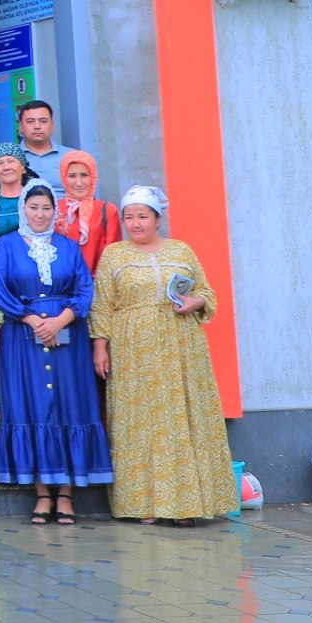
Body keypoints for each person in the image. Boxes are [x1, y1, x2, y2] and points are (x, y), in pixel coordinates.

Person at [91, 185, 237, 523]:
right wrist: (100, 345)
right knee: (141, 421)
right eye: (129, 217)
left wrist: (194, 302)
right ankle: (144, 504)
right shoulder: (114, 254)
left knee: (182, 418)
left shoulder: (181, 250)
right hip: (133, 350)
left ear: (158, 219)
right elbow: (101, 304)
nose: (135, 223)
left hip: (180, 347)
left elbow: (205, 291)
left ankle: (186, 504)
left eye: (143, 216)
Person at [0, 181, 112, 524]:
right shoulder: (5, 246)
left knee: (68, 404)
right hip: (21, 335)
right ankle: (42, 493)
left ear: (54, 212)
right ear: (22, 210)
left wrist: (59, 321)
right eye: (33, 208)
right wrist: (33, 320)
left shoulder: (69, 247)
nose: (40, 214)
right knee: (32, 405)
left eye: (46, 208)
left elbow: (84, 289)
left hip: (68, 335)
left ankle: (67, 495)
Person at [55, 150, 121, 273]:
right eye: (72, 176)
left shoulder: (107, 210)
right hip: (63, 281)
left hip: (96, 282)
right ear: (63, 178)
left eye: (84, 175)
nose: (79, 183)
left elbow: (113, 254)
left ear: (93, 177)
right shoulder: (55, 209)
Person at [16, 99, 74, 189]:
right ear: (21, 126)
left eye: (43, 121)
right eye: (30, 121)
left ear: (52, 125)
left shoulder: (71, 156)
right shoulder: (10, 158)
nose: (37, 126)